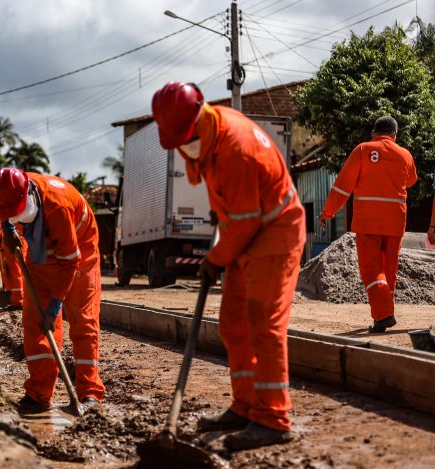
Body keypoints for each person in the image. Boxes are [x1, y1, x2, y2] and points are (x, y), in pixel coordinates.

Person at [152, 81, 305, 450]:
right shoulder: (210, 130)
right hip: (245, 230)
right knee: (234, 325)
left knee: (264, 326)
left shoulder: (237, 149)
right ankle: (246, 405)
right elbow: (234, 209)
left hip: (274, 231)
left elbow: (248, 220)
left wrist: (215, 259)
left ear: (198, 118)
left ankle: (273, 419)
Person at [0, 168, 105, 413]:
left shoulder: (58, 207)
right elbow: (4, 211)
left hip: (79, 253)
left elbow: (69, 262)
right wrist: (8, 229)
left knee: (83, 321)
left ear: (28, 194)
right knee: (35, 322)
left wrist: (55, 305)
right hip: (40, 250)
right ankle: (39, 393)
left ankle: (90, 393)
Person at [318, 116, 418, 333]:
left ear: (374, 133)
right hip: (395, 221)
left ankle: (383, 315)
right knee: (388, 270)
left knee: (372, 270)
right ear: (395, 135)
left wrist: (328, 212)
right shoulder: (405, 154)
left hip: (368, 221)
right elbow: (411, 180)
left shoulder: (363, 150)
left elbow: (343, 186)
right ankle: (384, 313)